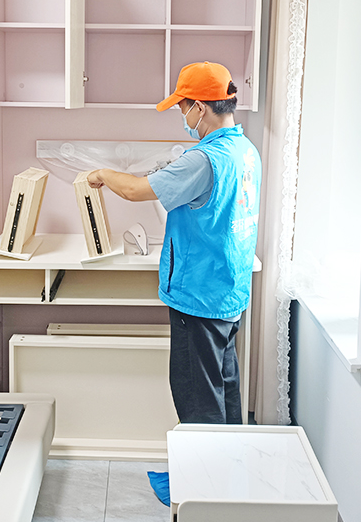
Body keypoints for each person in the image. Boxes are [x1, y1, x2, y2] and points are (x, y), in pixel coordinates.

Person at [85, 61, 261, 424]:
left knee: (198, 404)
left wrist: (102, 173)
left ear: (200, 107)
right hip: (228, 292)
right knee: (224, 391)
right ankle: (229, 459)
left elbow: (135, 190)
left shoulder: (203, 160)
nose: (182, 115)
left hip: (198, 297)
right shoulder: (245, 150)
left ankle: (203, 463)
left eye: (182, 107)